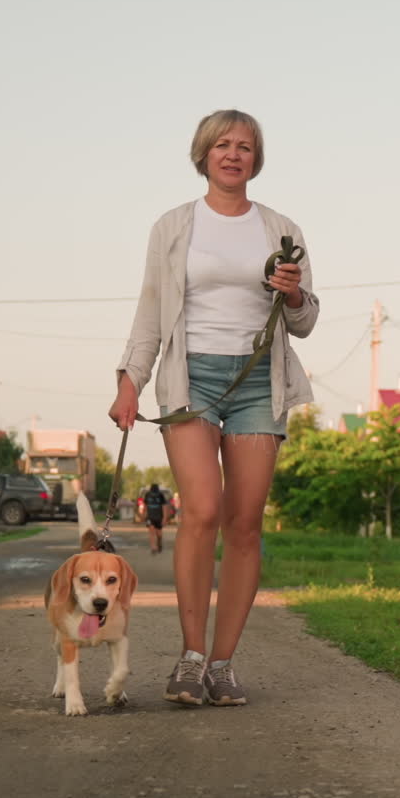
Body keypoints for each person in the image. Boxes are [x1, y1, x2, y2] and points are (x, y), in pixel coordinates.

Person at [108, 109, 318, 707]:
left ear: (256, 158)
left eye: (245, 146)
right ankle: (191, 658)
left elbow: (305, 321)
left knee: (244, 525)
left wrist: (293, 295)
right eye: (222, 144)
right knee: (201, 509)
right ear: (203, 154)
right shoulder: (174, 226)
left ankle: (223, 666)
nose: (233, 154)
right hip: (190, 379)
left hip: (257, 383)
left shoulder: (281, 229)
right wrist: (130, 380)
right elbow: (151, 310)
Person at [144, 482, 168, 554]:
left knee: (159, 533)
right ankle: (153, 547)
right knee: (151, 532)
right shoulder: (147, 495)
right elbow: (145, 505)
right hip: (150, 517)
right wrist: (144, 515)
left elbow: (164, 507)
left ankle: (159, 543)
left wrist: (164, 518)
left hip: (159, 517)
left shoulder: (160, 495)